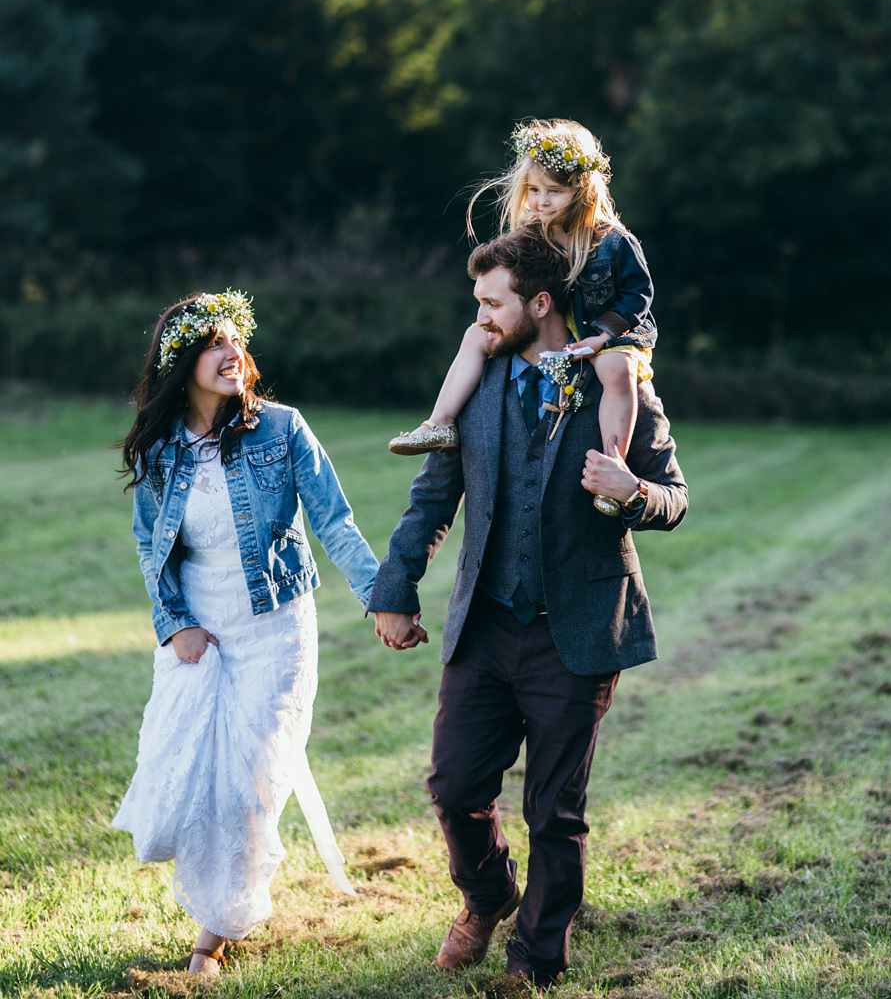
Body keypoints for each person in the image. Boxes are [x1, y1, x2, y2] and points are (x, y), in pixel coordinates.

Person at [371, 229, 687, 988]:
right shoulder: (476, 384)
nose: (477, 317)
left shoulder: (621, 379)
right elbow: (432, 499)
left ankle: (536, 961)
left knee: (555, 813)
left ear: (540, 304)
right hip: (484, 624)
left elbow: (674, 497)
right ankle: (487, 897)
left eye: (491, 302)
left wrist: (633, 493)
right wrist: (396, 588)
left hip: (576, 632)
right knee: (454, 789)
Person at [114, 290, 379, 976]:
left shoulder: (283, 430)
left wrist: (382, 595)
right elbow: (151, 545)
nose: (232, 353)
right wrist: (176, 625)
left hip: (276, 629)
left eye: (236, 340)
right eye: (213, 343)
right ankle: (221, 902)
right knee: (186, 785)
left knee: (248, 786)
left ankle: (213, 936)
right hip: (201, 634)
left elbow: (336, 523)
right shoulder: (162, 449)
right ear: (182, 362)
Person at [389, 118, 658, 515]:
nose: (541, 201)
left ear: (581, 192)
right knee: (474, 336)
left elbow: (640, 295)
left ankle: (610, 466)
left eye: (555, 192)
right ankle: (439, 423)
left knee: (614, 371)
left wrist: (603, 336)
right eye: (534, 190)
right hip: (562, 326)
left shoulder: (613, 241)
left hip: (614, 331)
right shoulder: (534, 234)